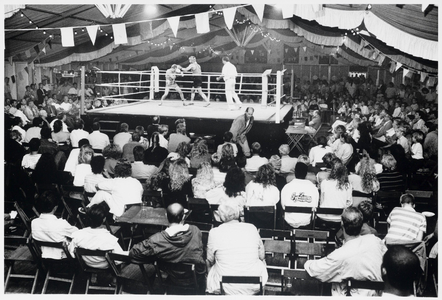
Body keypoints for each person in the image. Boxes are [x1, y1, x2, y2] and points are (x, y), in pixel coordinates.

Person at [304, 207, 387, 296]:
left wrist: (308, 263)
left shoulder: (340, 255)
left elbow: (316, 270)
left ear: (342, 224)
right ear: (361, 224)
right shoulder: (375, 241)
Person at [129, 203, 206, 293]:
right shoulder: (196, 230)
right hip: (196, 279)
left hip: (174, 280)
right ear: (183, 217)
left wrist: (154, 257)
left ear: (166, 216)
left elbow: (133, 254)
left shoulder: (157, 240)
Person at [206, 202, 268, 295]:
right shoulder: (251, 228)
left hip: (224, 285)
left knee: (210, 264)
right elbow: (262, 256)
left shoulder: (214, 232)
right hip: (254, 284)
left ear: (221, 217)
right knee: (261, 261)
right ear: (238, 213)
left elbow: (209, 260)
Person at [68, 203, 127, 269]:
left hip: (87, 264)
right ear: (104, 219)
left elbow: (71, 252)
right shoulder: (109, 238)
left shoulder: (78, 234)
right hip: (106, 266)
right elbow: (119, 259)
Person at [31, 190, 79, 259]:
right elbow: (77, 233)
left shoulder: (34, 222)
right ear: (55, 208)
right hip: (63, 255)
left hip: (44, 254)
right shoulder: (61, 223)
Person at [281, 162, 319, 229]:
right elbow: (315, 206)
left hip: (289, 221)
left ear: (295, 173)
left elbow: (283, 206)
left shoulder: (287, 187)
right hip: (306, 222)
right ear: (306, 174)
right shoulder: (313, 188)